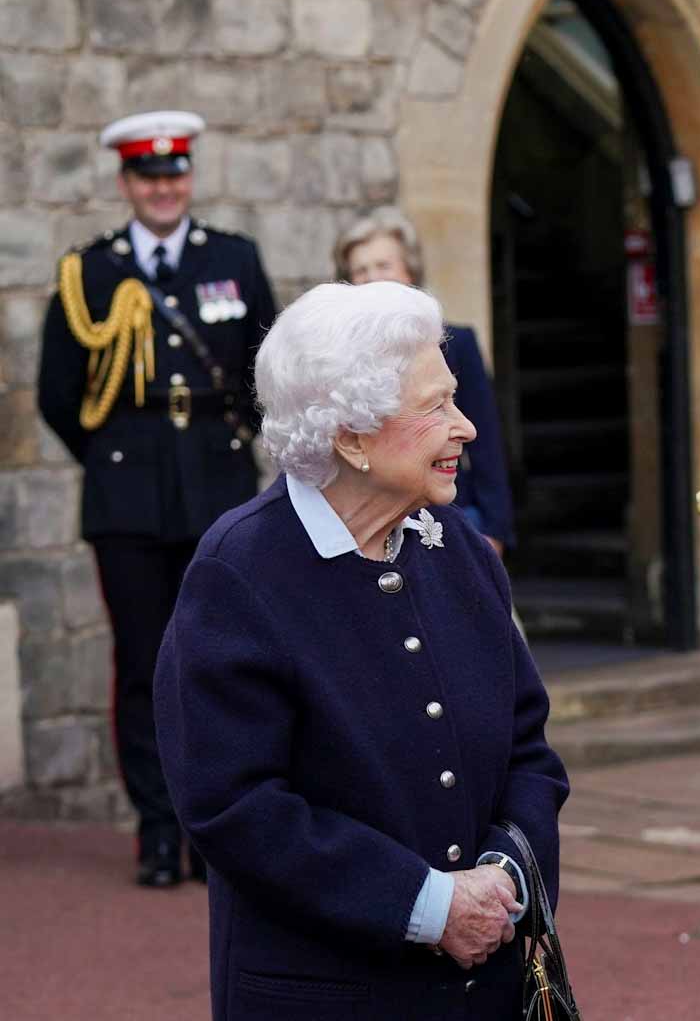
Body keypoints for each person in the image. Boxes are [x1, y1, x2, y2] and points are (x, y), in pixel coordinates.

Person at [153, 281, 569, 1020]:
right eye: (435, 405)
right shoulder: (239, 570)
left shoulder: (459, 549)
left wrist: (506, 873)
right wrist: (426, 904)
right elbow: (233, 804)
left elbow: (529, 751)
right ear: (350, 435)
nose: (466, 426)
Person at [36, 110, 275, 888]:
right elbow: (58, 393)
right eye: (148, 176)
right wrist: (115, 460)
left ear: (190, 179)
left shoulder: (234, 261)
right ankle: (157, 830)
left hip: (216, 487)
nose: (163, 188)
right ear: (125, 183)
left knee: (219, 662)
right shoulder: (90, 273)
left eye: (174, 174)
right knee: (143, 665)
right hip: (128, 499)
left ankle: (217, 829)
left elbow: (266, 372)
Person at [335, 206, 515, 556]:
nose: (373, 278)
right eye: (361, 270)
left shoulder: (454, 343)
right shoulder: (341, 358)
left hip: (452, 515)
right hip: (373, 525)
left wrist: (494, 528)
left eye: (383, 266)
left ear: (409, 272)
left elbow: (487, 442)